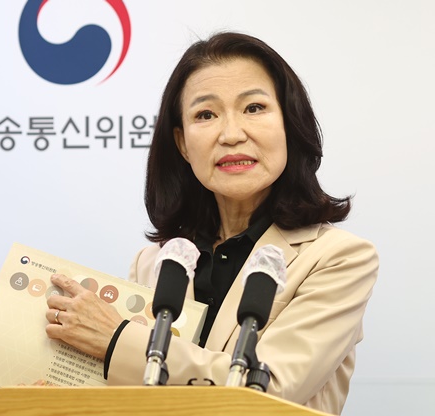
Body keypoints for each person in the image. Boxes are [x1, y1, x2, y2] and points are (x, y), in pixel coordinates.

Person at [45, 31, 378, 415]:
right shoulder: (153, 262)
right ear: (182, 143)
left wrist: (117, 339)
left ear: (289, 124)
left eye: (254, 108)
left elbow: (267, 391)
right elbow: (138, 400)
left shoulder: (340, 258)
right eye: (205, 115)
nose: (232, 134)